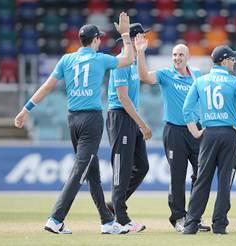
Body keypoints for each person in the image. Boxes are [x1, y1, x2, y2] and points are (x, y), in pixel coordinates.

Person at [14, 12, 134, 234]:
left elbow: (47, 87)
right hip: (91, 120)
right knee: (80, 170)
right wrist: (125, 35)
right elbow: (128, 59)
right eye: (99, 38)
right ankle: (56, 219)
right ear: (96, 40)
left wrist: (25, 109)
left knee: (92, 172)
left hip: (73, 120)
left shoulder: (67, 59)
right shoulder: (100, 58)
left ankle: (107, 222)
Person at [135, 35, 210, 232]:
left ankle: (194, 216)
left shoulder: (196, 75)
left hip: (196, 130)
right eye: (174, 54)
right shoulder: (165, 74)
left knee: (201, 174)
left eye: (181, 54)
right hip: (174, 131)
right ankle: (178, 217)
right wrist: (141, 52)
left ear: (188, 57)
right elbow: (144, 76)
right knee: (177, 176)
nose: (177, 58)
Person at [182, 45, 236, 234]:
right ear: (224, 60)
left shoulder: (201, 81)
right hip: (229, 135)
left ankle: (191, 224)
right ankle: (219, 225)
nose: (234, 61)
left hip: (209, 134)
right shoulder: (235, 82)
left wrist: (196, 132)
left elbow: (187, 110)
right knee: (224, 182)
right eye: (232, 58)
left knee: (202, 180)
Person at [105, 23, 153, 233]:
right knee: (122, 168)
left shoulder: (133, 61)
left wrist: (140, 52)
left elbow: (144, 76)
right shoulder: (122, 62)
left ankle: (114, 205)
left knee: (141, 167)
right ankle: (122, 219)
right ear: (133, 38)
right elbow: (123, 98)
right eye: (142, 36)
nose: (145, 38)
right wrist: (142, 123)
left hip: (130, 118)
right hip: (121, 116)